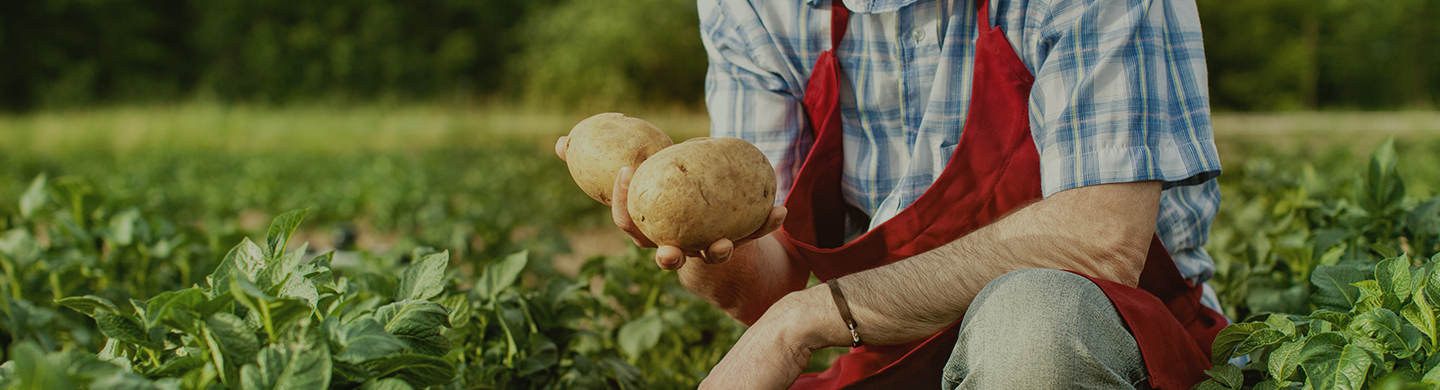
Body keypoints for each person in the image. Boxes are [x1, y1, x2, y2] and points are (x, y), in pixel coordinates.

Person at [558, 0, 1228, 388]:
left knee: (1034, 324)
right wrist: (699, 237)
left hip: (1101, 341)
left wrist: (811, 317)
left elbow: (1100, 240)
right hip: (885, 358)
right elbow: (769, 280)